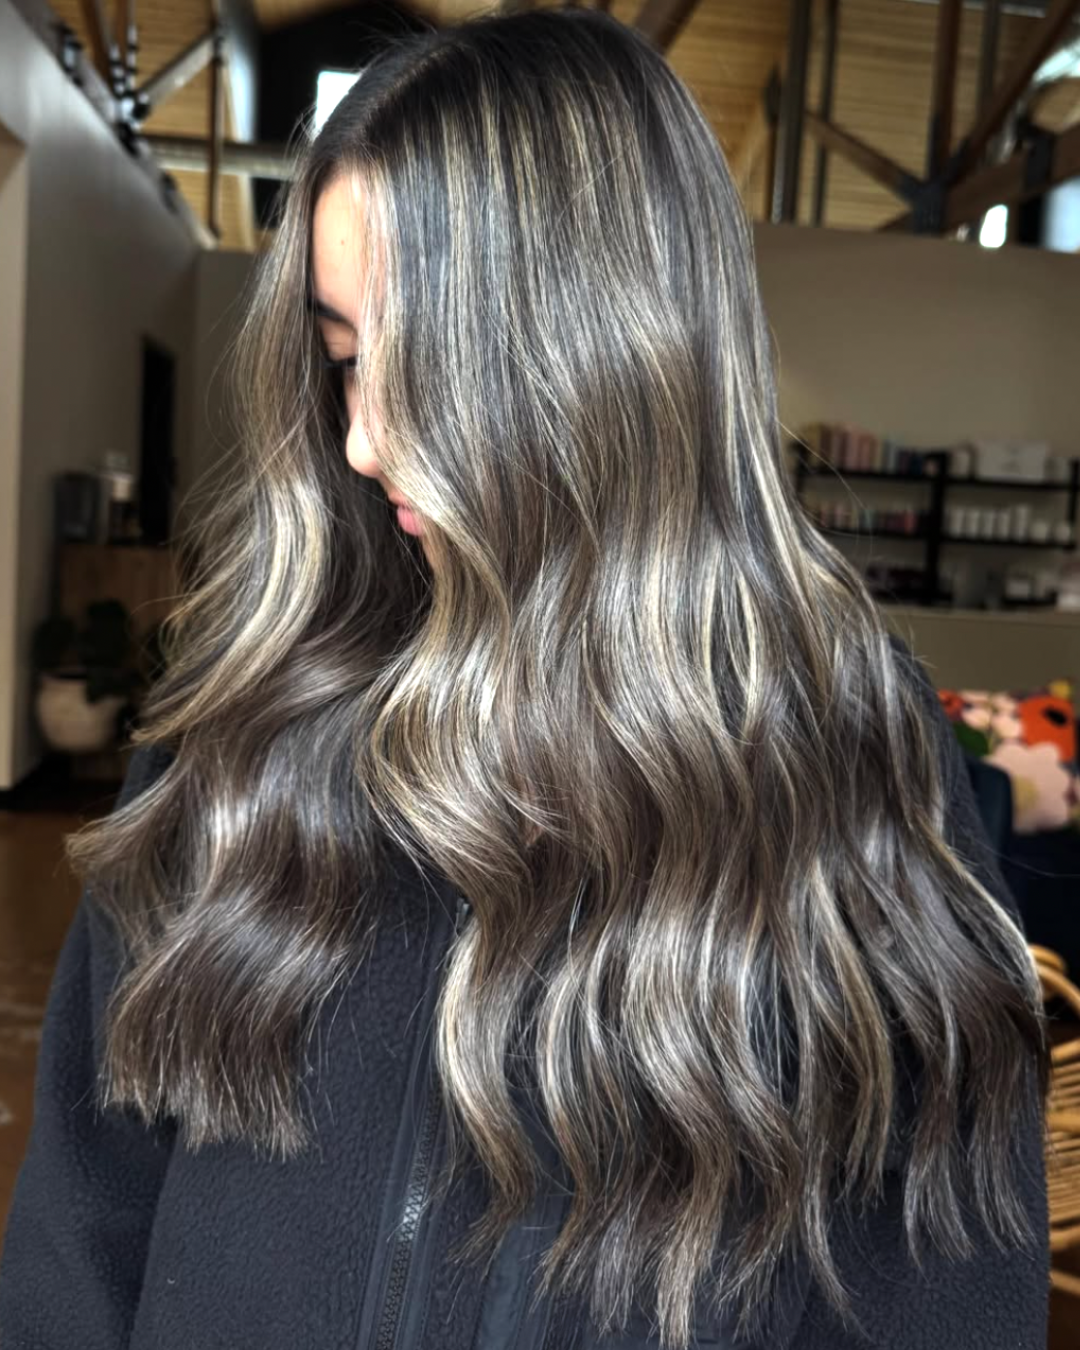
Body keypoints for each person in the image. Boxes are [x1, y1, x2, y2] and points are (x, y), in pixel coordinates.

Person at [0, 9, 1049, 1350]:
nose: (365, 437)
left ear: (613, 364)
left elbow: (941, 1291)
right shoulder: (242, 732)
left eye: (431, 365)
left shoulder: (845, 775)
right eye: (341, 357)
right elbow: (83, 1236)